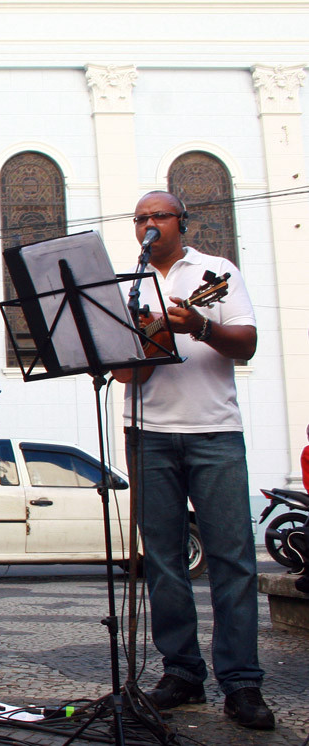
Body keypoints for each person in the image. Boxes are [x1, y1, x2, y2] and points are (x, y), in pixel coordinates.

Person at [120, 191, 273, 730]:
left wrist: (199, 327)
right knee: (163, 560)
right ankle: (181, 672)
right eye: (140, 217)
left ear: (180, 222)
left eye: (158, 215)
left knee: (232, 559)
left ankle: (242, 683)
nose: (148, 224)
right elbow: (125, 376)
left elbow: (246, 343)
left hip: (214, 432)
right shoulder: (129, 284)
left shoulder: (216, 271)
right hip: (148, 433)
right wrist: (147, 342)